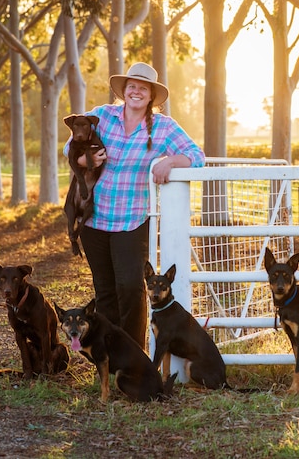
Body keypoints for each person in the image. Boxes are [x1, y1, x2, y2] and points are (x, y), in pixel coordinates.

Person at [63, 62, 205, 349]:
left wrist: (170, 161)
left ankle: (133, 354)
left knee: (129, 287)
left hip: (133, 220)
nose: (136, 92)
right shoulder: (102, 115)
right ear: (123, 91)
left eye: (143, 88)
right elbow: (70, 146)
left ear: (151, 95)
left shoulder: (164, 127)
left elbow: (197, 155)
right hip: (94, 218)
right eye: (132, 87)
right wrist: (81, 161)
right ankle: (108, 357)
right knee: (104, 290)